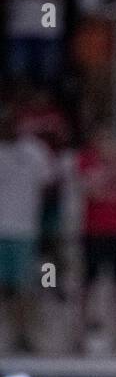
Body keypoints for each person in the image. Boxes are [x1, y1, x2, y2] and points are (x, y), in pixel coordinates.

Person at [77, 127, 116, 355]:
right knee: (88, 284)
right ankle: (80, 335)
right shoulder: (85, 159)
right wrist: (110, 172)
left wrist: (112, 166)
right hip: (93, 231)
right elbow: (90, 190)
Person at [0, 106, 53, 353]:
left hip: (24, 230)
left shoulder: (35, 151)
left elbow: (48, 185)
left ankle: (23, 334)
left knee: (23, 287)